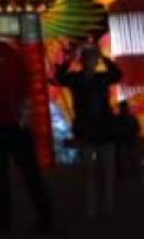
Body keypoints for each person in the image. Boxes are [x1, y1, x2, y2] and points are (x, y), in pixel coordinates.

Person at [0, 12, 52, 234]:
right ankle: (45, 217)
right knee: (29, 172)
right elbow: (26, 81)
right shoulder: (9, 52)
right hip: (16, 121)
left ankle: (5, 221)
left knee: (0, 174)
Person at [53, 44, 123, 220]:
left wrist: (105, 58)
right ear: (82, 61)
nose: (90, 62)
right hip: (85, 130)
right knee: (88, 172)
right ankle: (91, 208)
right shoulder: (75, 79)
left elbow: (118, 75)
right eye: (87, 58)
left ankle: (107, 208)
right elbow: (59, 77)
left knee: (107, 172)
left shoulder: (102, 77)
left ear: (96, 61)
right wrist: (70, 58)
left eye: (93, 58)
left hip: (105, 129)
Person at [114, 100, 141, 181]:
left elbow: (137, 127)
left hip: (126, 140)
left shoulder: (121, 118)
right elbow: (137, 127)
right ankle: (132, 172)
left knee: (128, 156)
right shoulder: (129, 118)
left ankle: (130, 172)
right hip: (126, 140)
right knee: (129, 156)